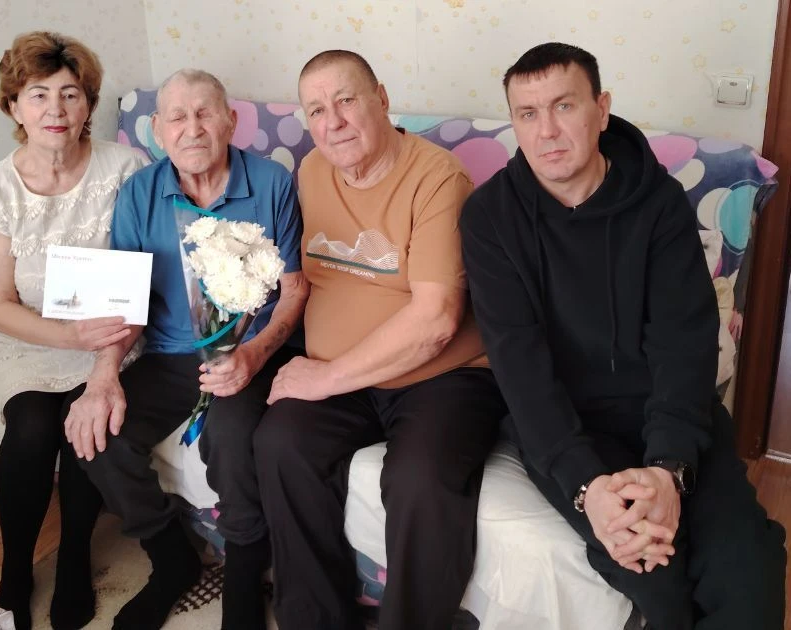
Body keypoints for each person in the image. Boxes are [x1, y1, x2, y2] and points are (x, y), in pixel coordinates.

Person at [460, 42, 786, 629]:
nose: (547, 131)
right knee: (653, 567)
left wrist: (667, 470)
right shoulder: (490, 218)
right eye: (528, 114)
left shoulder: (658, 201)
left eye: (564, 105)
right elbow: (521, 369)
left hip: (670, 411)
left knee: (747, 570)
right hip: (570, 425)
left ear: (602, 108)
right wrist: (587, 487)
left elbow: (685, 343)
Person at [252, 50, 509, 630]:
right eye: (317, 110)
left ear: (382, 99)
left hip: (442, 376)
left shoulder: (438, 178)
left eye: (346, 100)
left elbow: (436, 320)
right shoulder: (311, 171)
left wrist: (324, 378)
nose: (333, 122)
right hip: (343, 373)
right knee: (279, 443)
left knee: (420, 478)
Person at [62, 68, 307, 630]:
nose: (191, 128)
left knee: (231, 437)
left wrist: (254, 355)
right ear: (157, 129)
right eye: (177, 116)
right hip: (173, 355)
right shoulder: (139, 193)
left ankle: (243, 573)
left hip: (253, 351)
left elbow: (295, 289)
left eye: (204, 113)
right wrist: (103, 376)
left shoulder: (272, 182)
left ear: (230, 121)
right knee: (96, 435)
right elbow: (124, 303)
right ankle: (171, 557)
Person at [0, 31, 149, 630]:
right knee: (33, 428)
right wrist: (68, 339)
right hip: (31, 340)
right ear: (14, 107)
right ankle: (15, 568)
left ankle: (73, 560)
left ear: (88, 103)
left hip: (112, 336)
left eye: (70, 94)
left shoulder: (127, 169)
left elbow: (148, 268)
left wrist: (99, 348)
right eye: (38, 95)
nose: (55, 110)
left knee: (85, 424)